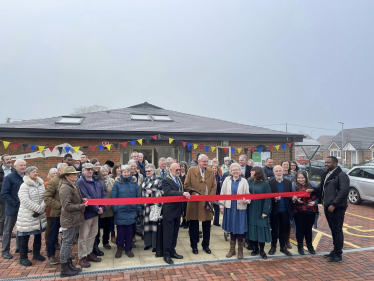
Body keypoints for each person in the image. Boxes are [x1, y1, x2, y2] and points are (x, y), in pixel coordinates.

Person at [309, 156, 349, 263]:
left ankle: (338, 254)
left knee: (337, 230)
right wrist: (312, 190)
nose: (326, 164)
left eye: (328, 162)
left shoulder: (342, 175)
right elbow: (321, 187)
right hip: (327, 206)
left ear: (335, 164)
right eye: (325, 162)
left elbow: (343, 192)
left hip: (336, 208)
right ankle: (335, 250)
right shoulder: (326, 174)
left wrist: (334, 204)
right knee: (333, 229)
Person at [184, 154, 217, 255]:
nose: (206, 163)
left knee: (207, 225)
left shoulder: (211, 172)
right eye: (204, 162)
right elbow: (186, 185)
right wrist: (196, 195)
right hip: (194, 202)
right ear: (198, 162)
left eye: (207, 162)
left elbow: (214, 186)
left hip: (207, 202)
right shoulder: (191, 170)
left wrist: (209, 199)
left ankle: (205, 245)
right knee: (193, 226)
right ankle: (194, 246)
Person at [76, 163, 107, 268]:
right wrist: (97, 209)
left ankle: (89, 253)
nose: (90, 171)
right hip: (87, 213)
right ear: (83, 171)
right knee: (83, 236)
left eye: (91, 170)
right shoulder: (80, 182)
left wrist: (103, 207)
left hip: (96, 213)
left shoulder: (96, 181)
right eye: (87, 170)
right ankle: (82, 257)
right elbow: (85, 197)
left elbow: (103, 195)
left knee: (92, 235)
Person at [59, 166, 88, 277]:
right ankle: (64, 269)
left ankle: (69, 265)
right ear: (66, 176)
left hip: (74, 219)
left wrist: (82, 200)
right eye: (73, 174)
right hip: (69, 220)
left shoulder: (73, 185)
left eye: (76, 174)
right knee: (66, 244)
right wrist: (82, 205)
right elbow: (67, 206)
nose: (75, 175)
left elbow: (74, 200)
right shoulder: (65, 187)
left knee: (69, 243)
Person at [16, 166, 47, 266]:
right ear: (27, 174)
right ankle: (23, 257)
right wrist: (39, 209)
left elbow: (45, 197)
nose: (36, 173)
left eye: (36, 171)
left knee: (38, 235)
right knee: (25, 237)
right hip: (28, 215)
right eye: (33, 172)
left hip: (39, 215)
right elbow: (25, 201)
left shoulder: (40, 184)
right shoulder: (24, 186)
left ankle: (36, 254)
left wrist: (41, 208)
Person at [161, 163, 191, 264]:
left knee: (175, 233)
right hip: (169, 211)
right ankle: (166, 254)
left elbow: (181, 196)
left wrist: (183, 209)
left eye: (179, 170)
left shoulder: (178, 179)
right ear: (170, 170)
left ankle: (172, 251)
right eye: (176, 170)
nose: (178, 171)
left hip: (178, 211)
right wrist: (182, 193)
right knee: (168, 234)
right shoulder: (166, 180)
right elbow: (168, 192)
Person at [220, 163, 250, 259]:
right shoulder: (227, 180)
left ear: (240, 171)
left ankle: (240, 251)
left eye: (237, 170)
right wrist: (221, 206)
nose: (235, 171)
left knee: (240, 229)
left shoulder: (244, 181)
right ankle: (232, 249)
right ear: (231, 171)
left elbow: (248, 194)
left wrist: (247, 200)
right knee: (232, 228)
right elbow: (223, 193)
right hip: (230, 208)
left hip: (240, 209)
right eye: (233, 170)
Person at [111, 165, 141, 259]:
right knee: (120, 231)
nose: (126, 173)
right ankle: (120, 248)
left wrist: (138, 208)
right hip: (120, 211)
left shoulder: (134, 182)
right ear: (121, 173)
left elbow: (138, 196)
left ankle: (128, 249)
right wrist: (116, 208)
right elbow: (113, 197)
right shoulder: (117, 183)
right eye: (124, 172)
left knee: (129, 232)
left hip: (131, 210)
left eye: (128, 172)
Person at [1, 159, 27, 259]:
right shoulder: (9, 178)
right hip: (12, 209)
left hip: (23, 209)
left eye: (24, 165)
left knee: (21, 229)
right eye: (21, 165)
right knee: (8, 230)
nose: (23, 167)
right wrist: (14, 203)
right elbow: (4, 193)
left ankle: (19, 247)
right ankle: (5, 250)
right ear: (15, 167)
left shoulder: (26, 177)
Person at [245, 166, 272, 259]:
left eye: (252, 171)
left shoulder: (265, 184)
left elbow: (268, 198)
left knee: (261, 230)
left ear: (257, 172)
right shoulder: (249, 181)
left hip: (260, 209)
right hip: (251, 209)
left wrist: (265, 211)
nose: (250, 173)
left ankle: (262, 250)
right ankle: (255, 249)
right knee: (253, 230)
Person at [44, 163, 67, 265]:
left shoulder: (68, 180)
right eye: (65, 169)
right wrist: (60, 206)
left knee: (66, 235)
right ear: (59, 171)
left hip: (67, 214)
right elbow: (47, 198)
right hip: (56, 213)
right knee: (53, 235)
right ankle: (51, 255)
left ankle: (65, 254)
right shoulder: (53, 182)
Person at [268, 165, 294, 256]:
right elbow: (268, 197)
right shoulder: (270, 182)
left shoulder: (288, 182)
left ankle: (283, 247)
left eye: (280, 171)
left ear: (283, 172)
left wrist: (293, 198)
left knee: (283, 229)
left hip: (285, 210)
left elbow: (290, 195)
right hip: (274, 210)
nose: (279, 172)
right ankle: (273, 246)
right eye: (277, 171)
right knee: (274, 229)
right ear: (274, 172)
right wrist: (274, 198)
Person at [292, 170, 318, 255]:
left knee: (308, 229)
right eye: (299, 178)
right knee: (300, 229)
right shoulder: (293, 185)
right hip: (299, 211)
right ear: (296, 178)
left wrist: (315, 202)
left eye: (302, 177)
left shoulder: (312, 184)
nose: (301, 179)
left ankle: (310, 246)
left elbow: (319, 194)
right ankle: (300, 247)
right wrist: (295, 200)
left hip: (311, 210)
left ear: (305, 177)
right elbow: (291, 197)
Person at [141, 164, 162, 252]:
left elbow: (163, 192)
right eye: (146, 171)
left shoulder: (159, 180)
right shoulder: (145, 180)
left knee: (154, 226)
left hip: (154, 206)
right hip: (145, 206)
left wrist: (153, 192)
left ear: (153, 171)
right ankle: (147, 244)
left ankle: (154, 245)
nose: (147, 173)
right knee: (146, 226)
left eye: (149, 171)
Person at [95, 166, 114, 251]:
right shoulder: (97, 181)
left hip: (109, 208)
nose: (105, 173)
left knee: (107, 227)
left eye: (106, 171)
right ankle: (97, 244)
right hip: (99, 207)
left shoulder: (112, 181)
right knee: (97, 228)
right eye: (103, 172)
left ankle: (106, 242)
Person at [0, 154, 15, 242]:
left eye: (10, 159)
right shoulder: (0, 170)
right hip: (2, 196)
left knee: (11, 215)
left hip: (12, 197)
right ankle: (1, 234)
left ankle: (9, 232)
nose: (9, 160)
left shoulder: (13, 170)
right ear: (2, 161)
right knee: (2, 217)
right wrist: (7, 183)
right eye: (7, 159)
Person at [179, 161, 189, 229]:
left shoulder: (187, 175)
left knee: (186, 208)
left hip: (186, 193)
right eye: (181, 166)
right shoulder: (178, 175)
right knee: (180, 208)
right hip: (179, 193)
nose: (183, 168)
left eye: (184, 166)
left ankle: (186, 221)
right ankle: (182, 221)